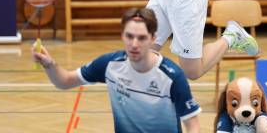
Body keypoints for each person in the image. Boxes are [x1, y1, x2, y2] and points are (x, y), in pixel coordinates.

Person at [32, 8, 201, 133]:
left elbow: (193, 125)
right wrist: (49, 64)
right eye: (129, 36)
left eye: (141, 38)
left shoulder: (172, 77)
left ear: (153, 39)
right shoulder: (110, 65)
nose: (134, 44)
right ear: (122, 36)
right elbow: (65, 81)